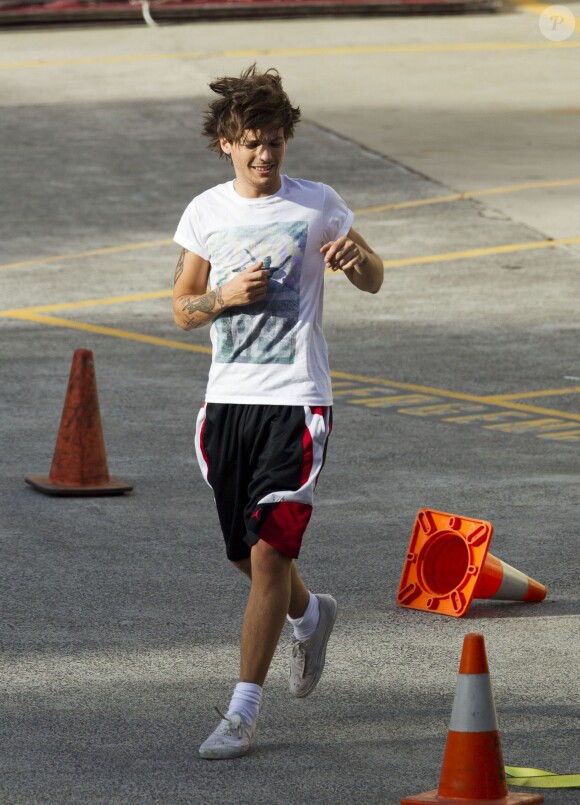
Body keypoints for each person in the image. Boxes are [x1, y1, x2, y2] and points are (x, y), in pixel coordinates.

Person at [173, 64, 383, 760]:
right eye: (251, 143)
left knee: (269, 554)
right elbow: (181, 309)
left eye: (275, 142)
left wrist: (355, 260)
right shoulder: (206, 212)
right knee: (244, 552)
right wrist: (223, 297)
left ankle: (242, 710)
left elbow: (375, 276)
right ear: (225, 144)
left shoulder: (319, 203)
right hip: (228, 404)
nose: (265, 155)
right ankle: (310, 612)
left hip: (297, 402)